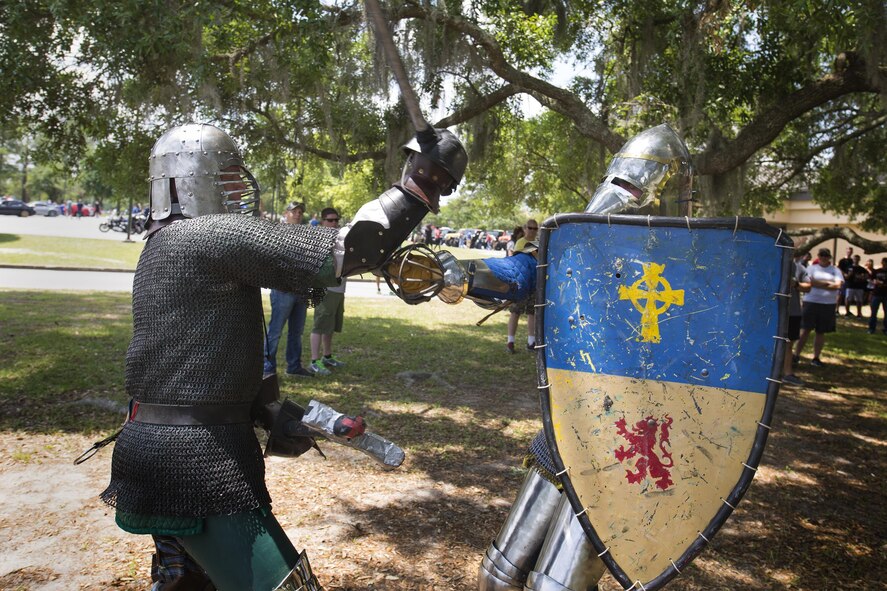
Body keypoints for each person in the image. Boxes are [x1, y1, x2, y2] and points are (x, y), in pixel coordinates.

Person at [97, 122, 467, 591]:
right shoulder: (206, 235)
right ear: (191, 179)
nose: (240, 188)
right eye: (228, 176)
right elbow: (351, 249)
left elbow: (195, 369)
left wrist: (283, 415)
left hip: (160, 451)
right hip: (193, 460)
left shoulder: (161, 247)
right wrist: (423, 179)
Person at [263, 201, 314, 378]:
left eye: (300, 212)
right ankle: (267, 368)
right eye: (294, 211)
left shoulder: (306, 234)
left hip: (301, 290)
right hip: (283, 290)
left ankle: (294, 366)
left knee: (296, 332)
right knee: (275, 331)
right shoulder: (277, 232)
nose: (298, 214)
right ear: (286, 213)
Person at [309, 208, 347, 377]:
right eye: (330, 220)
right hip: (325, 289)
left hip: (339, 289)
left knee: (330, 326)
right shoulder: (318, 238)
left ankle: (327, 356)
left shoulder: (341, 238)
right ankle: (314, 361)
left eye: (336, 220)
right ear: (322, 221)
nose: (334, 223)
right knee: (320, 325)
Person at [793, 247, 844, 367]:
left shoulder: (835, 270)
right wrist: (827, 284)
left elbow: (838, 285)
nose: (823, 257)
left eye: (826, 255)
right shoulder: (811, 268)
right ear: (818, 256)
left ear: (829, 257)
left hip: (828, 304)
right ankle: (796, 355)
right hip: (811, 302)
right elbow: (809, 282)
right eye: (821, 255)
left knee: (821, 331)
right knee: (805, 330)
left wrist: (818, 284)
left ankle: (816, 357)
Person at [506, 219, 539, 353]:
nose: (532, 231)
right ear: (525, 229)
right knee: (515, 312)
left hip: (534, 283)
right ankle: (510, 342)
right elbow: (518, 261)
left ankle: (531, 342)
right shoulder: (520, 243)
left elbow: (540, 260)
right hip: (521, 283)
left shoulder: (539, 243)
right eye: (530, 228)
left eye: (535, 228)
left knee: (532, 313)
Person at [782, 254, 810, 387]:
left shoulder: (799, 268)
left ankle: (787, 374)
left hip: (792, 312)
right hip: (771, 313)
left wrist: (796, 284)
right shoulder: (770, 263)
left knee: (788, 344)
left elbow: (808, 286)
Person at [845, 254, 870, 319]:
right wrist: (849, 274)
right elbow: (845, 276)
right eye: (855, 259)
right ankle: (847, 313)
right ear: (853, 260)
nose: (856, 260)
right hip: (850, 286)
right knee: (848, 300)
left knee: (859, 300)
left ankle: (859, 314)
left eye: (857, 259)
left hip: (859, 287)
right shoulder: (849, 267)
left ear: (859, 260)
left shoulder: (861, 269)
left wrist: (862, 277)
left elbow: (867, 276)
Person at [868, 257, 887, 335]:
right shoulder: (876, 271)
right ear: (882, 263)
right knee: (873, 312)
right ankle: (871, 328)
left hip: (886, 294)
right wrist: (874, 282)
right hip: (876, 294)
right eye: (884, 263)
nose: (884, 264)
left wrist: (883, 284)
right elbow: (870, 280)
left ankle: (885, 329)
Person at [837, 246, 855, 316]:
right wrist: (844, 274)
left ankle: (847, 311)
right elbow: (839, 268)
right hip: (842, 279)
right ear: (846, 251)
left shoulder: (852, 261)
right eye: (848, 251)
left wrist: (849, 275)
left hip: (850, 281)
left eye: (850, 251)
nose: (849, 252)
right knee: (840, 295)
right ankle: (837, 310)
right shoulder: (842, 260)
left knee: (847, 296)